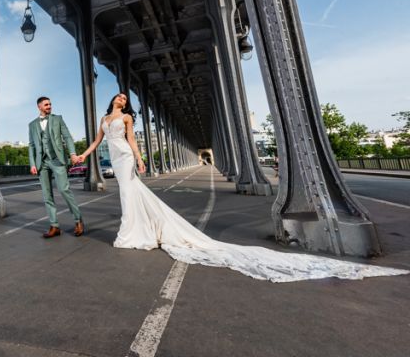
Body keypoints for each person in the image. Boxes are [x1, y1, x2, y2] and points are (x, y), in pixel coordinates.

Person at [77, 93, 408, 282]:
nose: (122, 100)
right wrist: (83, 154)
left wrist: (141, 159)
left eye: (124, 98)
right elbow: (96, 142)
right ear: (112, 103)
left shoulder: (130, 121)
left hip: (125, 157)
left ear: (126, 106)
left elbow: (132, 140)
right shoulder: (105, 121)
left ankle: (135, 232)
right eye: (119, 97)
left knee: (131, 193)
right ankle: (137, 230)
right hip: (113, 159)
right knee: (128, 194)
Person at [28, 96, 83, 238]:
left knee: (64, 190)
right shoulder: (32, 125)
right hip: (42, 163)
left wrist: (72, 153)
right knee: (47, 195)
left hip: (58, 160)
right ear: (39, 106)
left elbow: (68, 137)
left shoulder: (58, 119)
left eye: (50, 104)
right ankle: (54, 226)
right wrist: (33, 164)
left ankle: (78, 220)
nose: (49, 106)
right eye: (46, 104)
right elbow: (31, 145)